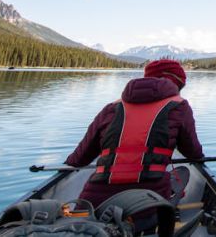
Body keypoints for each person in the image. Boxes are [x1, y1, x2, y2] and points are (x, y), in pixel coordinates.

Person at [65, 58, 203, 208]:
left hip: (94, 202)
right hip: (149, 202)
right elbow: (193, 153)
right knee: (178, 179)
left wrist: (69, 162)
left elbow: (78, 160)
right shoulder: (179, 106)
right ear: (176, 83)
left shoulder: (111, 108)